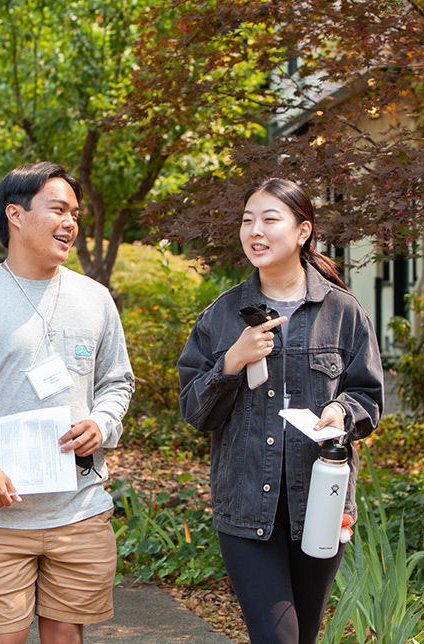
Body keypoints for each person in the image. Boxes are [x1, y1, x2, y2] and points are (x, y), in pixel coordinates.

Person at [0, 161, 134, 644]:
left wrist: (102, 424)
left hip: (79, 507)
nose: (71, 223)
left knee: (64, 636)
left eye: (75, 214)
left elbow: (118, 382)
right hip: (0, 511)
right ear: (15, 215)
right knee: (5, 638)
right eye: (58, 209)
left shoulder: (95, 298)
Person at [177, 178, 383, 644]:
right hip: (247, 505)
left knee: (302, 635)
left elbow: (368, 396)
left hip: (322, 504)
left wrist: (340, 411)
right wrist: (232, 361)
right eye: (248, 220)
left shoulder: (343, 311)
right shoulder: (223, 314)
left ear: (303, 230)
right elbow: (194, 411)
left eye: (270, 219)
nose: (255, 231)